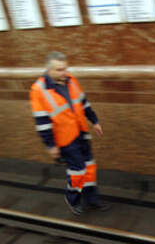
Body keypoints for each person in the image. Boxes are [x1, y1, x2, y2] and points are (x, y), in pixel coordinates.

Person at [29, 51, 109, 215]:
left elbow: (83, 103)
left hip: (81, 132)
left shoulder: (71, 80)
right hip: (65, 138)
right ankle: (73, 199)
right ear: (48, 70)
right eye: (59, 70)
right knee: (77, 170)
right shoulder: (38, 90)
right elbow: (42, 122)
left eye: (65, 68)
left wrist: (94, 120)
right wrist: (51, 145)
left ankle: (91, 199)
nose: (63, 73)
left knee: (89, 168)